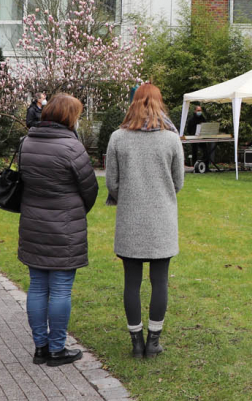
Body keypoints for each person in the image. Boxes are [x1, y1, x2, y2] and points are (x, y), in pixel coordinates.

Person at [18, 94, 98, 367]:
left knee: (38, 286)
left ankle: (41, 348)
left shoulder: (26, 142)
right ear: (68, 116)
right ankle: (56, 349)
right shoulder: (71, 147)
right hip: (65, 225)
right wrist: (74, 210)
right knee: (61, 288)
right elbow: (90, 189)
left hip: (33, 222)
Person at [106, 83, 184, 359]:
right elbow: (179, 182)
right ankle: (153, 341)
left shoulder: (118, 138)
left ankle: (137, 341)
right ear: (160, 103)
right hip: (162, 218)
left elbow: (112, 183)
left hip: (130, 218)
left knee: (131, 281)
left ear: (133, 103)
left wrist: (129, 195)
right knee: (159, 280)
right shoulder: (172, 139)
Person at [186, 105, 213, 172]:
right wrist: (193, 134)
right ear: (195, 111)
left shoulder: (203, 118)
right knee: (194, 152)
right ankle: (195, 167)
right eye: (198, 110)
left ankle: (205, 166)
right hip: (194, 137)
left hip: (202, 137)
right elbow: (188, 129)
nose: (199, 112)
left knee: (205, 151)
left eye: (200, 110)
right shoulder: (191, 120)